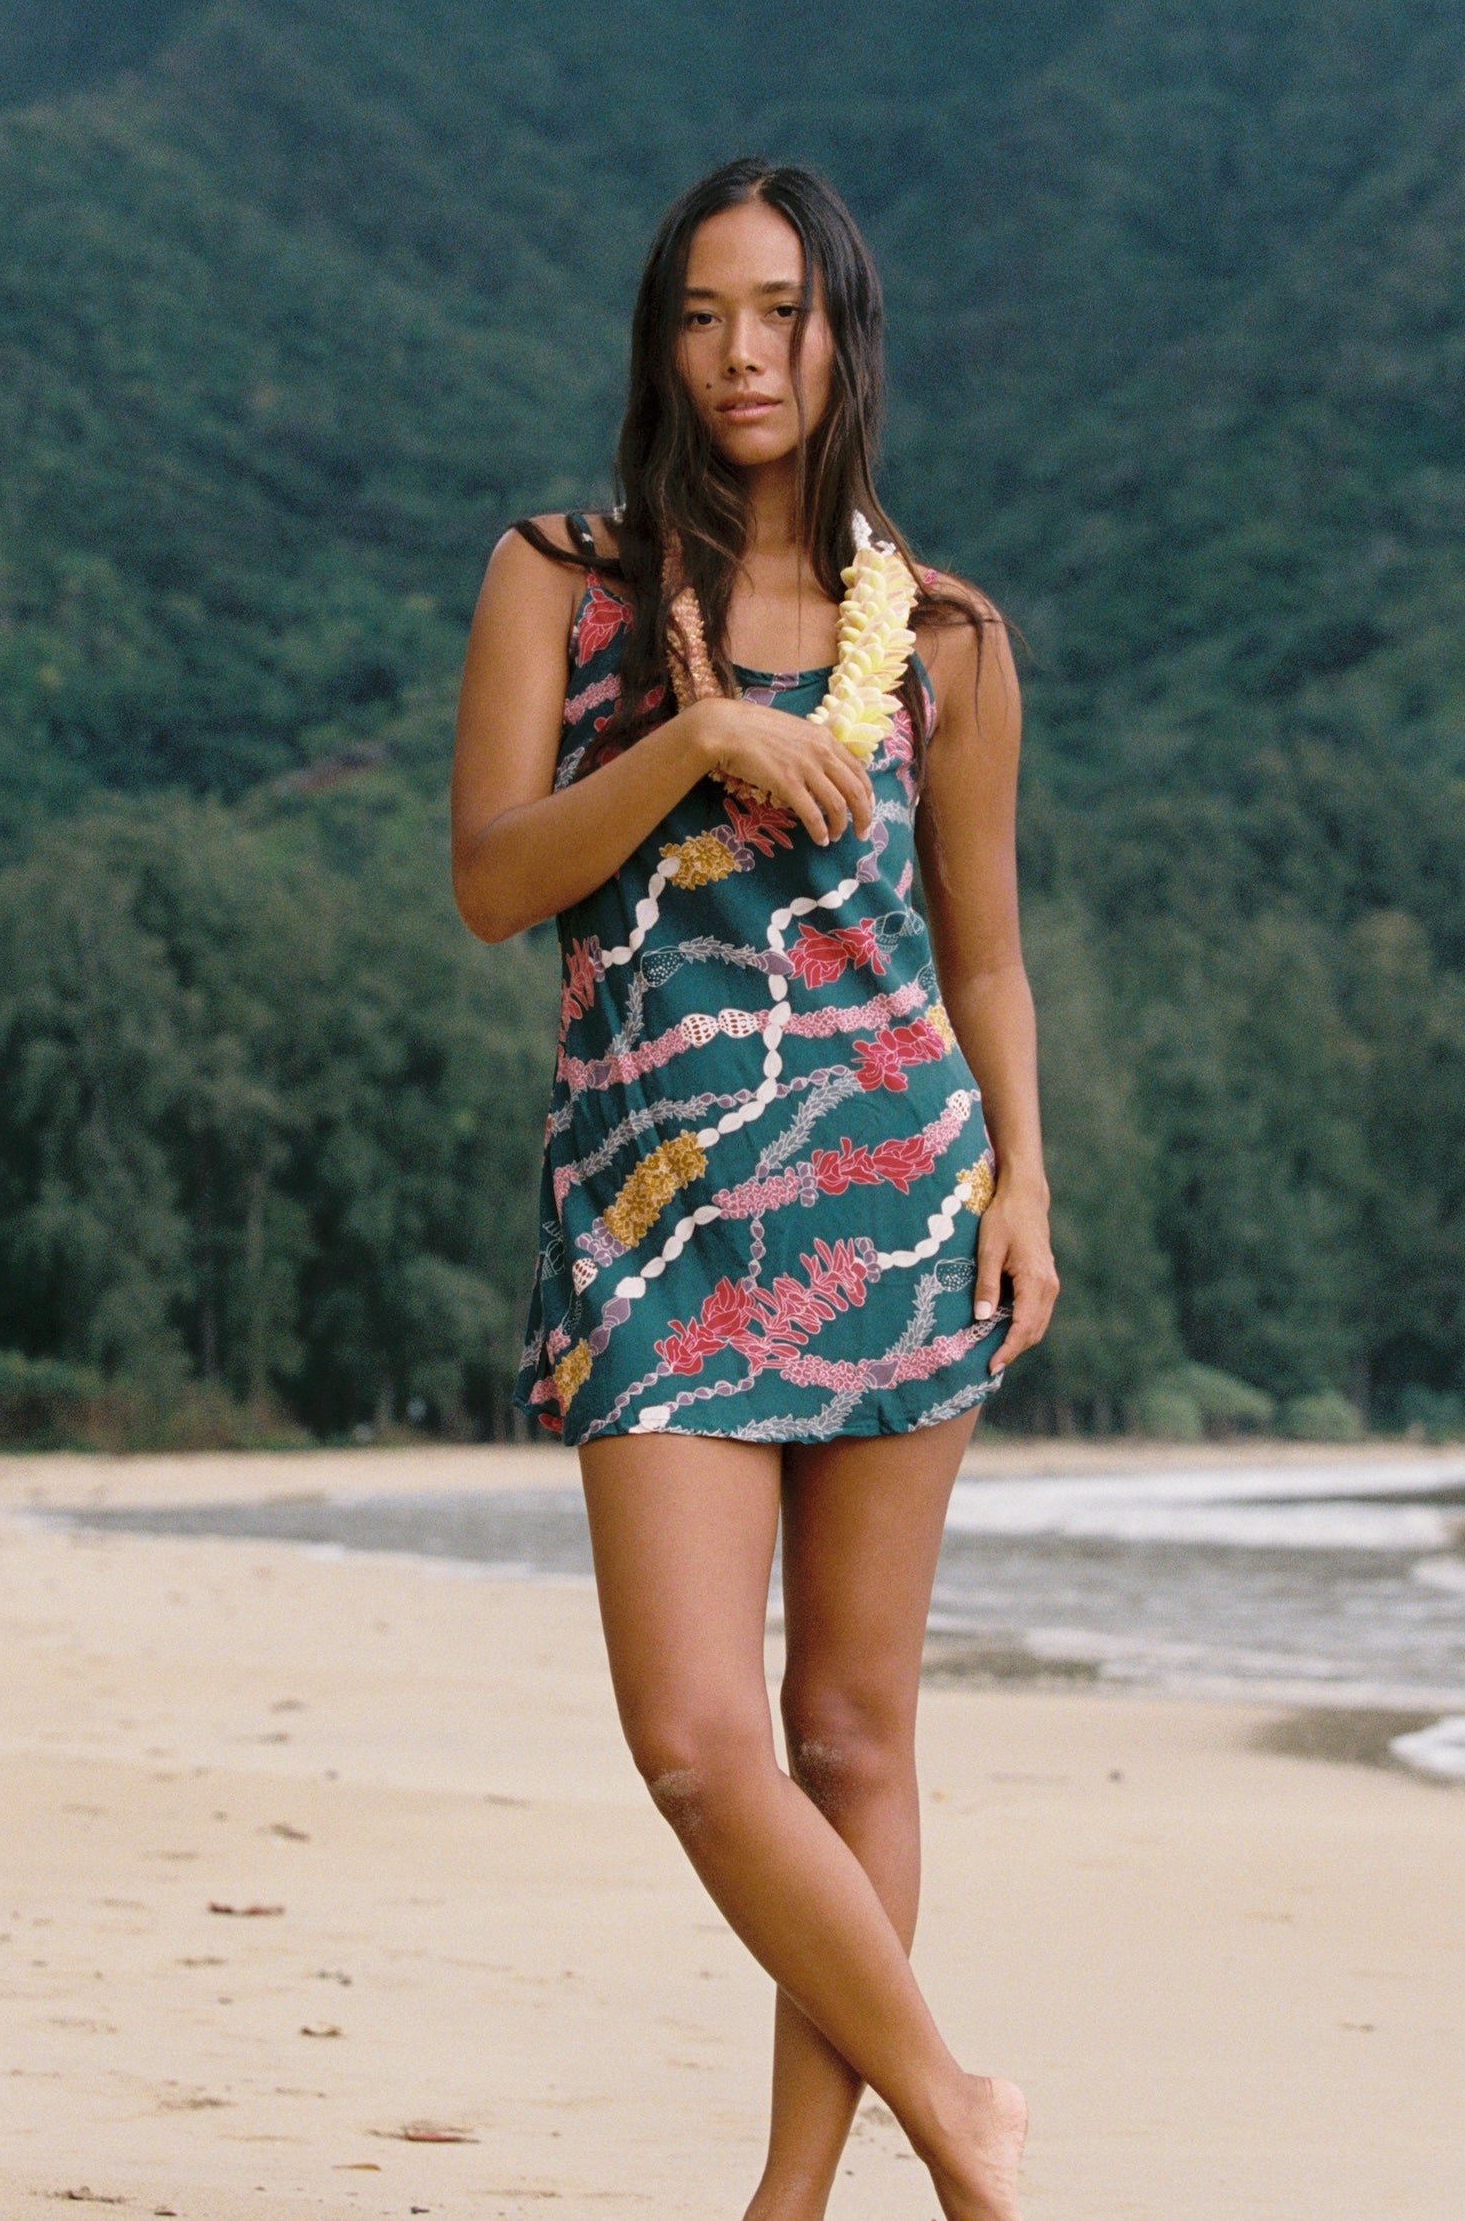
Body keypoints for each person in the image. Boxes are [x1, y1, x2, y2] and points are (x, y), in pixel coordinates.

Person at [451, 157, 1056, 2221]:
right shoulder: (560, 577)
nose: (742, 351)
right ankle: (957, 2109)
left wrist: (1023, 1188)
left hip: (898, 1201)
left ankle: (792, 2198)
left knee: (851, 1729)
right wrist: (695, 735)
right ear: (661, 340)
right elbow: (490, 876)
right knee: (704, 1736)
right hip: (650, 1220)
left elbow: (977, 950)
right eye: (704, 312)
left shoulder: (949, 639)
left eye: (780, 310)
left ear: (839, 333)